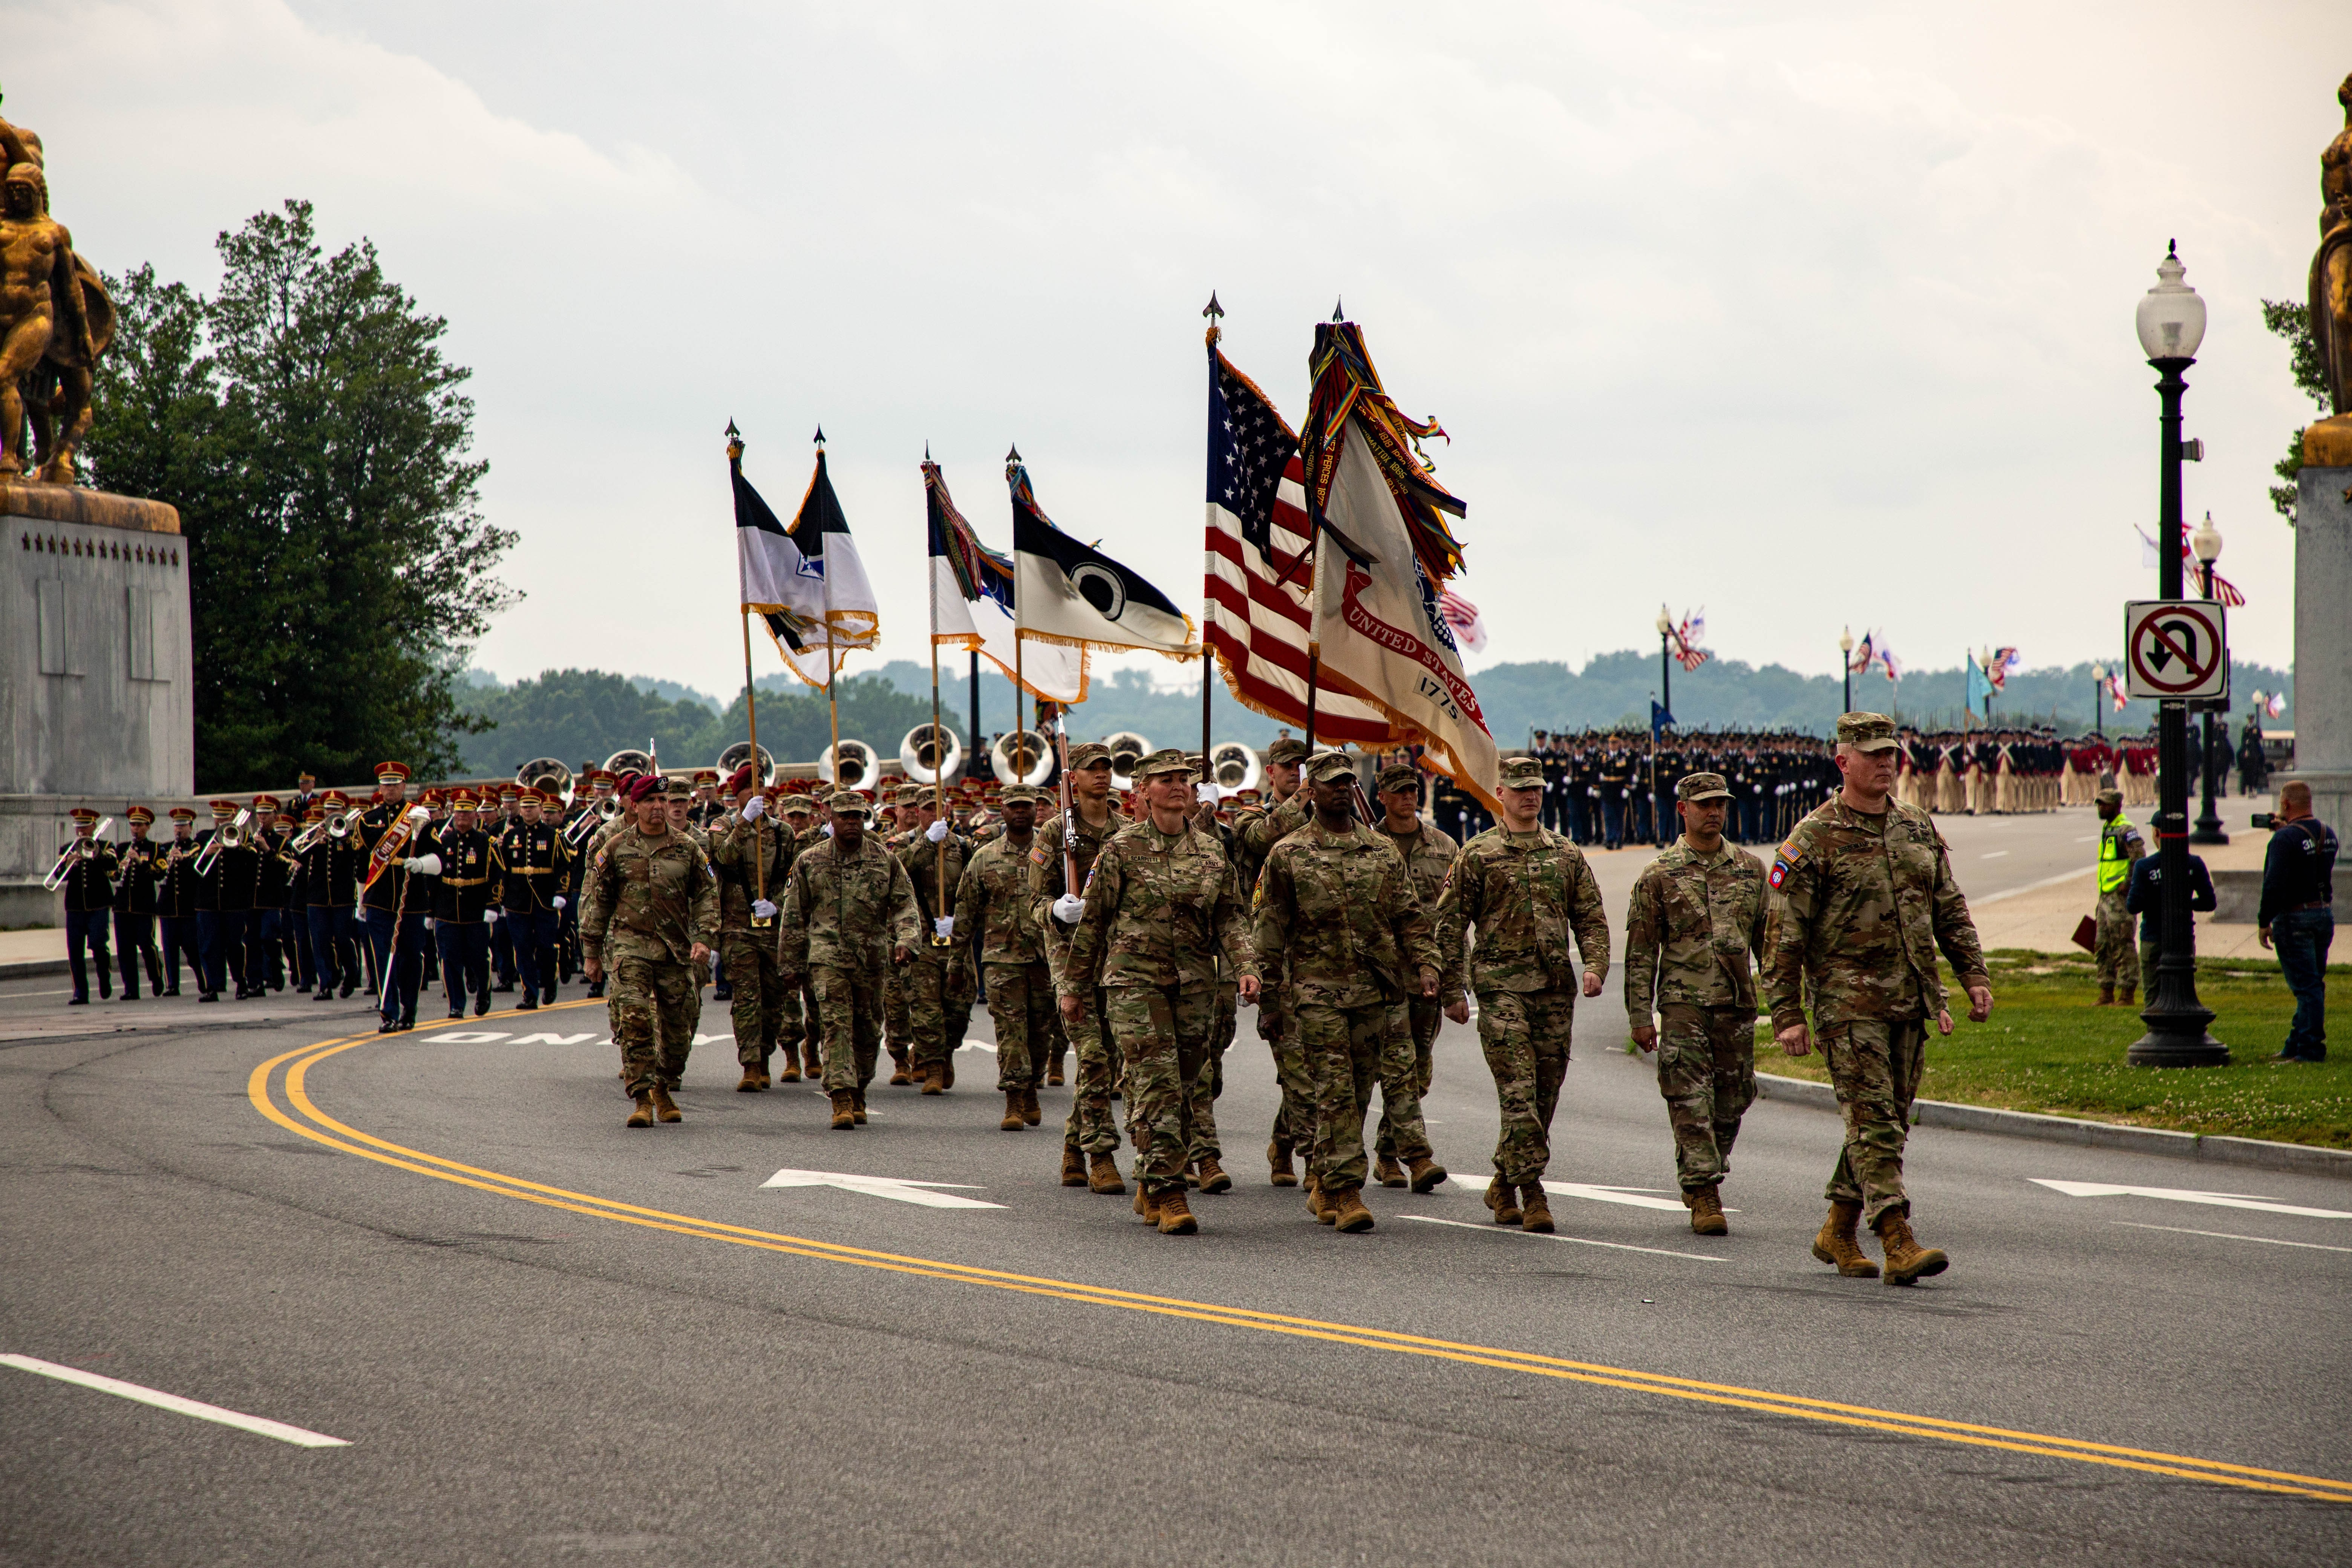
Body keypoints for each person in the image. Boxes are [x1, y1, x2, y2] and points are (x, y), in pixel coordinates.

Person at [1763, 712, 1993, 1286]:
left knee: (1883, 1122)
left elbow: (1949, 907)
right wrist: (1788, 1014)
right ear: (1843, 762)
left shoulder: (1916, 827)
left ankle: (1838, 1230)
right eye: (1872, 754)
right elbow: (1783, 933)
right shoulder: (1813, 837)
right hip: (1848, 1005)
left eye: (1892, 752)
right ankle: (1896, 1238)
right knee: (1875, 1123)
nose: (1886, 762)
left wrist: (1973, 974)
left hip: (1911, 1000)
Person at [1060, 748, 1255, 1236]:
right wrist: (1074, 985)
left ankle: (1150, 1175)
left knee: (1187, 1087)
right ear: (1143, 790)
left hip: (1193, 983)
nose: (1178, 786)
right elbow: (1095, 919)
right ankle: (1170, 1191)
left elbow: (1230, 916)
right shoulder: (1121, 851)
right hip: (1133, 983)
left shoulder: (1211, 852)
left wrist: (1247, 965)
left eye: (1183, 779)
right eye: (1165, 779)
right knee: (1156, 1083)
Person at [1247, 751, 1443, 1234]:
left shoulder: (1380, 851)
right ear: (1310, 790)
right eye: (1330, 782)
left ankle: (1326, 1182)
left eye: (1346, 781)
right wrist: (1270, 1000)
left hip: (1373, 991)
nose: (1340, 788)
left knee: (1356, 1094)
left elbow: (1409, 916)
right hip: (1315, 994)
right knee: (1332, 1091)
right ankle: (1348, 1189)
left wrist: (1427, 963)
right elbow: (1269, 929)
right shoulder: (1288, 853)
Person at [1435, 753, 1611, 1234]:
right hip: (1500, 990)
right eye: (1520, 790)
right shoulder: (1478, 854)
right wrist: (1453, 988)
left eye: (1536, 788)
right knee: (1518, 1094)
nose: (1530, 796)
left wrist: (1595, 964)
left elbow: (1591, 916)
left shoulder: (1566, 853)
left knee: (1544, 1096)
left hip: (1555, 991)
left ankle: (1503, 1180)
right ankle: (1533, 1191)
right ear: (1502, 794)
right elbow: (1450, 924)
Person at [1625, 772, 1768, 1235]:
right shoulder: (1659, 875)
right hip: (1683, 1004)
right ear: (1682, 808)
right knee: (1690, 1100)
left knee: (1734, 1098)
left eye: (1721, 804)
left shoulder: (1750, 868)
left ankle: (1703, 1165)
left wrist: (1786, 1005)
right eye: (1704, 804)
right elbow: (1642, 950)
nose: (1714, 812)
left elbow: (1771, 940)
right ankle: (1704, 1190)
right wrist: (1639, 1015)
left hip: (1736, 1003)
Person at [581, 775, 719, 1126]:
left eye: (663, 801)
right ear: (634, 806)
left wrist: (704, 938)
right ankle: (642, 1099)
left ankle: (664, 1085)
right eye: (650, 802)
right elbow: (599, 902)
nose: (658, 807)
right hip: (631, 949)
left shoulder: (688, 848)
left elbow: (706, 894)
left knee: (678, 1033)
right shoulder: (615, 848)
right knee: (635, 1020)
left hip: (675, 951)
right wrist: (592, 953)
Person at [781, 790, 920, 1130]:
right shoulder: (810, 860)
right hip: (827, 959)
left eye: (857, 817)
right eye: (845, 816)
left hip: (872, 960)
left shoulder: (884, 859)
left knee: (869, 1031)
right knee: (836, 1026)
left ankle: (859, 1089)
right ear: (831, 818)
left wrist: (907, 941)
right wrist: (790, 964)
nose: (852, 823)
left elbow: (904, 904)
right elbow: (795, 914)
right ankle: (841, 1097)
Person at [1033, 741, 1133, 1192]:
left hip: (1115, 954)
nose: (1101, 774)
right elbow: (1031, 902)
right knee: (1092, 1054)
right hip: (1070, 954)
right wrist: (1056, 908)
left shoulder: (1127, 832)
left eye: (1106, 767)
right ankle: (1101, 1155)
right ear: (1073, 778)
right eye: (1091, 768)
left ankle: (1074, 1145)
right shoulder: (1055, 833)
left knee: (1108, 1058)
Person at [1369, 762, 1458, 1188]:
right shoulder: (1366, 844)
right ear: (1381, 795)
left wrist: (1455, 981)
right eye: (1399, 791)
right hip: (1381, 977)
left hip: (1428, 974)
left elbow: (1455, 919)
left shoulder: (1444, 847)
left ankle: (1387, 1151)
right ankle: (1414, 1155)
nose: (1409, 797)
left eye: (1413, 789)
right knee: (1396, 1067)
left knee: (1418, 1070)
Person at [952, 783, 1056, 1135]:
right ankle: (1014, 1098)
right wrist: (957, 962)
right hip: (1002, 960)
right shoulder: (985, 857)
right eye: (1015, 807)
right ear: (1004, 811)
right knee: (1011, 1032)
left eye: (1028, 806)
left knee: (1041, 1033)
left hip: (1045, 959)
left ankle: (1031, 1087)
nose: (1022, 812)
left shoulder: (1052, 853)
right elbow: (965, 912)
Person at [1234, 735, 1314, 1184]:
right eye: (1288, 766)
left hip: (1321, 954)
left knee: (1316, 1062)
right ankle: (1316, 1162)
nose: (1295, 772)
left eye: (1303, 766)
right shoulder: (1252, 816)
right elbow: (1264, 838)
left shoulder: (1325, 820)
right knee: (1296, 1062)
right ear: (1272, 771)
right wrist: (1302, 799)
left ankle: (1284, 1140)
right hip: (1271, 954)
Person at [706, 767, 795, 1090]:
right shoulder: (722, 825)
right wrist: (744, 821)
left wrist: (778, 906)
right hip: (737, 927)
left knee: (774, 999)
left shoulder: (783, 832)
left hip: (772, 928)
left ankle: (766, 1056)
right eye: (751, 789)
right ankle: (751, 1065)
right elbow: (724, 857)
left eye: (763, 788)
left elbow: (791, 881)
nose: (760, 794)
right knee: (747, 998)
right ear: (740, 793)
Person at [894, 784, 977, 1095]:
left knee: (958, 1008)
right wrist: (927, 844)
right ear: (917, 813)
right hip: (921, 940)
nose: (934, 814)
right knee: (926, 1008)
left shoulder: (963, 847)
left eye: (939, 809)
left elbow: (973, 888)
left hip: (954, 940)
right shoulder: (906, 843)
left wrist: (960, 919)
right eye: (928, 809)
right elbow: (896, 871)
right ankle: (933, 1067)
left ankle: (947, 1053)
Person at [2259, 780, 2337, 1063]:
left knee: (2307, 988)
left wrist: (2264, 920)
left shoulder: (2283, 840)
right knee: (2313, 983)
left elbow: (2274, 883)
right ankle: (2294, 1043)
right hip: (2322, 914)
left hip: (2294, 917)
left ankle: (2311, 1049)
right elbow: (2310, 862)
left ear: (2285, 805)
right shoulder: (2329, 834)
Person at [494, 787, 570, 1011]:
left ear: (540, 808)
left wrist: (560, 893)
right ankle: (530, 995)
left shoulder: (552, 836)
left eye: (532, 807)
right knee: (523, 948)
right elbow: (504, 870)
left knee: (547, 947)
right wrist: (502, 899)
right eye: (525, 807)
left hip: (544, 899)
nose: (528, 811)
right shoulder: (511, 836)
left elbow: (563, 867)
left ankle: (550, 981)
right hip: (517, 901)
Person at [424, 790, 496, 1020]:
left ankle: (484, 992)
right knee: (449, 959)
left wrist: (492, 905)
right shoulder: (443, 842)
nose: (462, 816)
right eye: (458, 811)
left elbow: (496, 875)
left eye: (467, 812)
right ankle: (456, 1004)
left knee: (478, 958)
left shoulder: (486, 842)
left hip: (475, 909)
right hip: (447, 909)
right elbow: (433, 878)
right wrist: (431, 911)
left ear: (476, 815)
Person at [2123, 843, 2216, 1004]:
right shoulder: (2194, 864)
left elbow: (2133, 906)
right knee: (2182, 993)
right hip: (2183, 937)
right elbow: (2209, 903)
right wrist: (2186, 904)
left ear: (2158, 833)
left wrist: (2154, 901)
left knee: (2153, 995)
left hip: (2152, 937)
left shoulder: (2145, 866)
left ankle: (2154, 1028)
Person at [56, 807, 117, 1004]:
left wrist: (96, 854)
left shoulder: (105, 845)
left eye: (85, 827)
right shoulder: (67, 849)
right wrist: (68, 864)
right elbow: (57, 875)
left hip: (99, 904)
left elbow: (113, 864)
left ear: (94, 826)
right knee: (75, 951)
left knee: (98, 944)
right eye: (78, 827)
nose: (81, 832)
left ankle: (104, 975)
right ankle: (80, 993)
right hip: (75, 907)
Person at [2093, 787, 2146, 1006]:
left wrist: (2128, 884)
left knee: (2123, 944)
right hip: (2105, 896)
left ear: (2117, 806)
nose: (2100, 808)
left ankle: (2127, 994)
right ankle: (2106, 992)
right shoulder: (2109, 828)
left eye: (2105, 804)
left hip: (2119, 897)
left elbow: (2139, 857)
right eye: (2099, 804)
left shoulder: (2126, 829)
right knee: (2102, 944)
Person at [113, 806, 164, 1000]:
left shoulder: (156, 849)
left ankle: (156, 977)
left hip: (144, 906)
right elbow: (112, 875)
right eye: (133, 825)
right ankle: (131, 989)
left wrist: (141, 863)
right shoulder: (122, 849)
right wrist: (120, 867)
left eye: (139, 825)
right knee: (125, 950)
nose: (135, 829)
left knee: (146, 944)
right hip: (123, 906)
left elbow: (160, 873)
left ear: (148, 827)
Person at [157, 807, 202, 996]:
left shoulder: (196, 847)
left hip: (187, 906)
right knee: (169, 948)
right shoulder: (165, 848)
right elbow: (158, 872)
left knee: (192, 947)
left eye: (183, 826)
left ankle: (202, 978)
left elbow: (196, 872)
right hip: (168, 906)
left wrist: (182, 860)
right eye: (177, 826)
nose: (179, 830)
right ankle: (172, 984)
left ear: (191, 828)